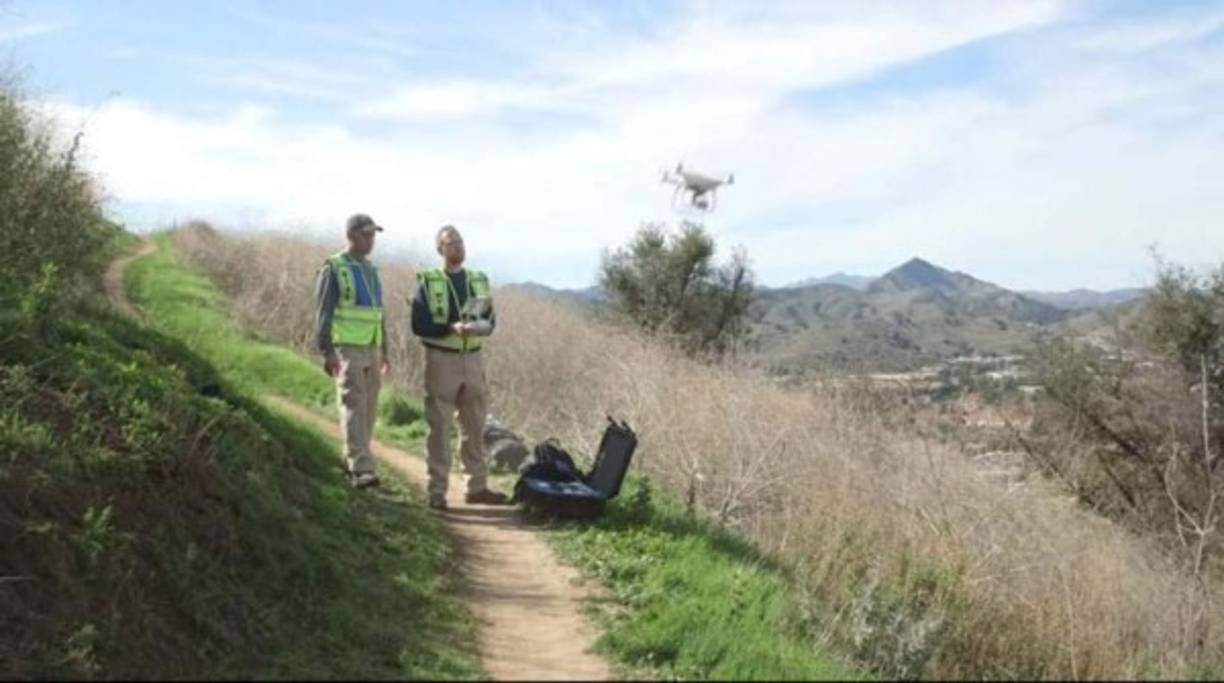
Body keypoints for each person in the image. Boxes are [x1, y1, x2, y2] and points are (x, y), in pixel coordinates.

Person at [411, 225, 509, 510]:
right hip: (441, 359)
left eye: (461, 242)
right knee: (439, 427)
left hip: (474, 358)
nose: (458, 248)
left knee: (475, 425)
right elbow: (418, 324)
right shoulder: (427, 281)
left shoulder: (478, 279)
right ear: (440, 249)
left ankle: (476, 487)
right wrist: (449, 327)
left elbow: (491, 319)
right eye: (451, 243)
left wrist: (481, 328)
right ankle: (437, 492)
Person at [314, 213, 390, 489]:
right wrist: (327, 351)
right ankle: (362, 468)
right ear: (351, 235)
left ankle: (353, 457)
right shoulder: (334, 267)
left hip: (372, 348)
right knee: (354, 406)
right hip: (346, 348)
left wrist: (386, 350)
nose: (371, 240)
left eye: (373, 235)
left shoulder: (371, 270)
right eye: (366, 234)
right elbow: (323, 312)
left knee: (368, 409)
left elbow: (379, 314)